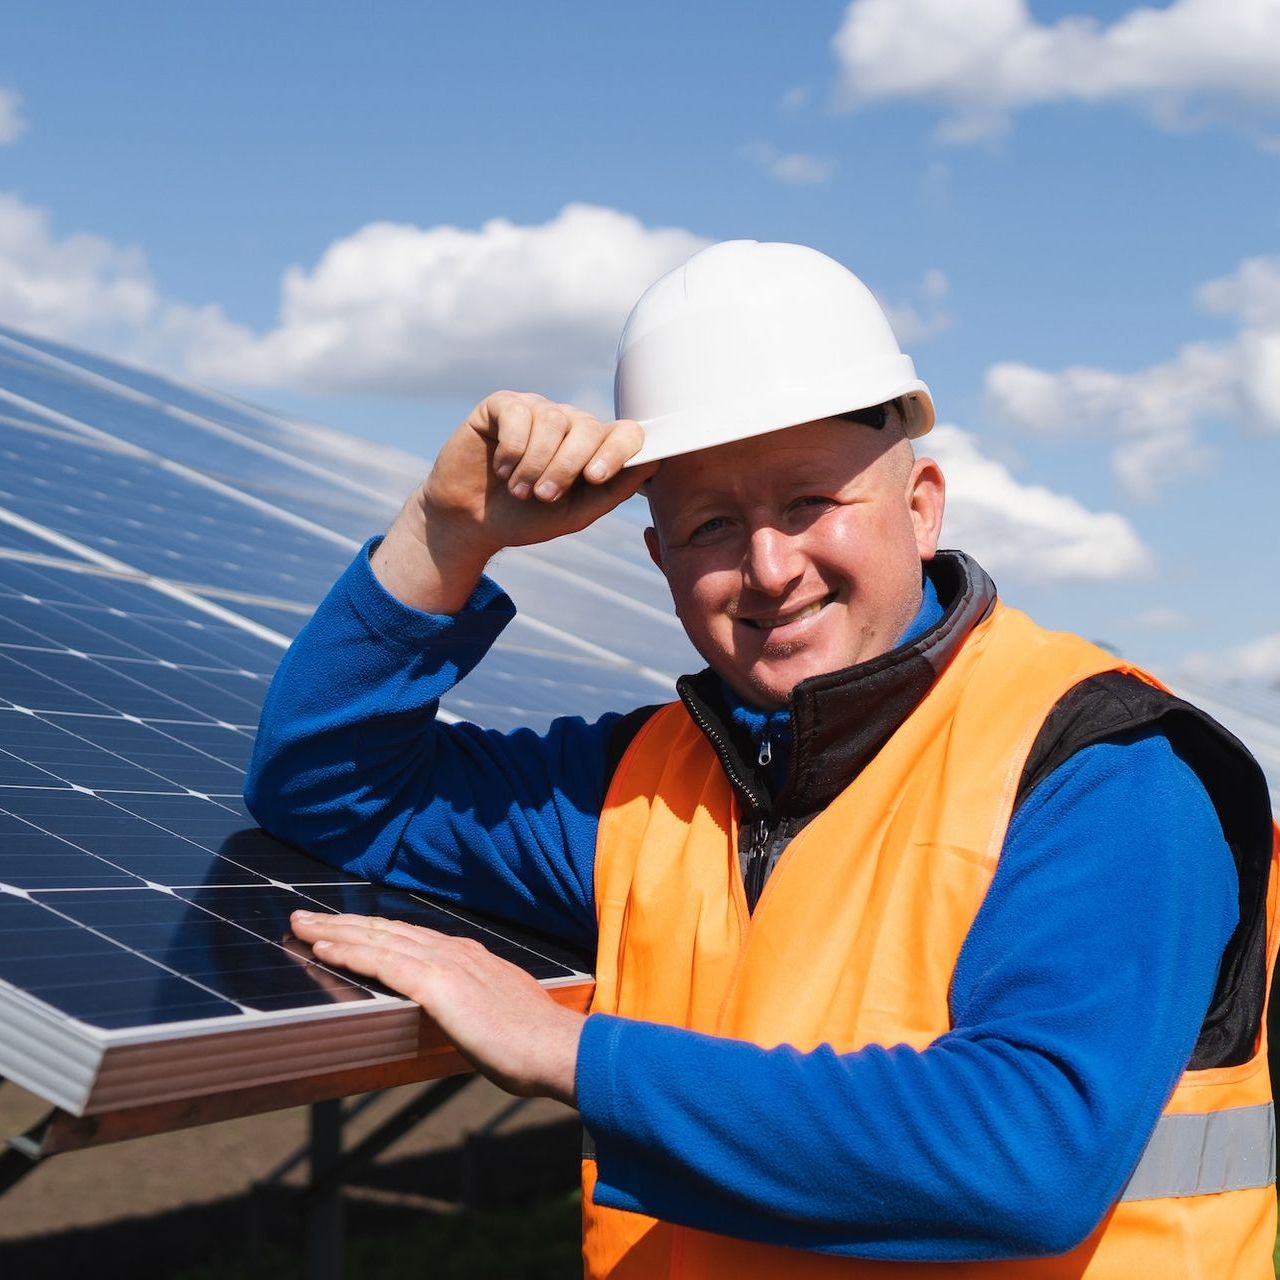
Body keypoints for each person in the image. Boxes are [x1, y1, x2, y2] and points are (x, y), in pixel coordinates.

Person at [246, 241, 1280, 1277]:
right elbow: (329, 785)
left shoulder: (1101, 770)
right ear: (657, 558)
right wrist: (448, 533)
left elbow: (1026, 1149)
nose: (769, 567)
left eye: (807, 503)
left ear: (921, 504)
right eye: (710, 524)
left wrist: (566, 1050)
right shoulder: (643, 786)